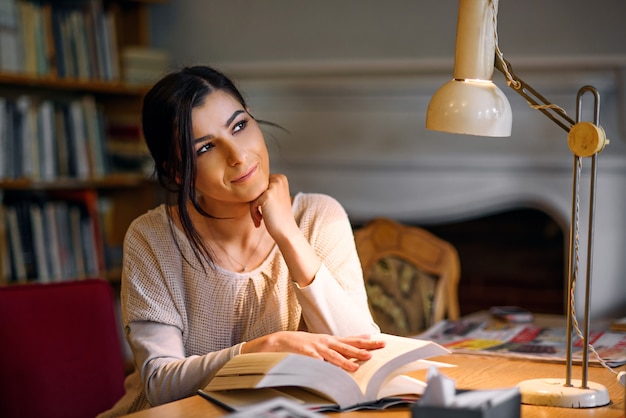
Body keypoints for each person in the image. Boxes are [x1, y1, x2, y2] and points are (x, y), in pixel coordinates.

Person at [98, 65, 382, 417]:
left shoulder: (319, 217)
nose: (238, 155)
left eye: (239, 125)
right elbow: (160, 384)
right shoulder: (152, 238)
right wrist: (264, 349)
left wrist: (288, 235)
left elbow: (362, 351)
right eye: (205, 148)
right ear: (175, 171)